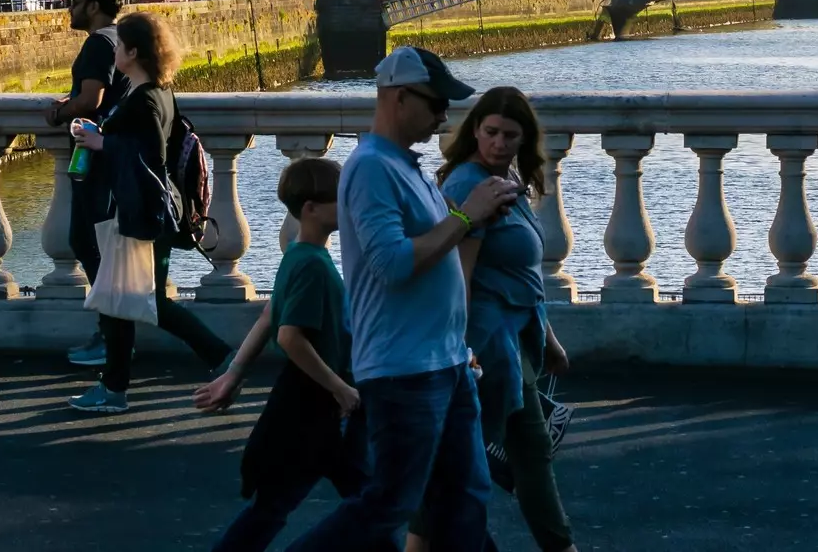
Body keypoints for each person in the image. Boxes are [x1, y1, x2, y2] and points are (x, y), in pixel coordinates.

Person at [284, 46, 519, 552]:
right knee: (389, 503)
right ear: (396, 98)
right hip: (404, 367)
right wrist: (465, 217)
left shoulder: (408, 168)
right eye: (434, 103)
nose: (443, 116)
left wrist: (467, 216)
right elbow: (392, 265)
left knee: (464, 496)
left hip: (447, 361)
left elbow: (438, 254)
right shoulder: (370, 169)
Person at [408, 86, 577, 552]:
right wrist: (459, 345)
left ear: (525, 140)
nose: (499, 143)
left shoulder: (507, 183)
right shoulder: (470, 185)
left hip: (511, 338)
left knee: (521, 456)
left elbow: (520, 278)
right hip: (486, 340)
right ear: (476, 131)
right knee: (477, 457)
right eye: (491, 132)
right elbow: (459, 272)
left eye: (510, 135)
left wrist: (548, 338)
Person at [63, 10, 231, 413]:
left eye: (120, 45)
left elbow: (150, 156)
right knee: (129, 299)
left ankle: (220, 358)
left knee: (138, 301)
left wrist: (101, 144)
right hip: (151, 213)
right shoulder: (157, 92)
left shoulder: (143, 100)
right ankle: (117, 387)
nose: (115, 51)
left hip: (142, 217)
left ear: (133, 52)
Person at [196, 158, 367, 551]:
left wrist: (234, 374)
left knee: (353, 500)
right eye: (340, 200)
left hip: (309, 409)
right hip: (314, 408)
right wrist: (340, 388)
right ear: (311, 209)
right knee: (355, 501)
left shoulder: (297, 255)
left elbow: (272, 314)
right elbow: (290, 337)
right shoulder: (312, 265)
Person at [46, 0, 126, 367]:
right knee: (99, 244)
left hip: (96, 159)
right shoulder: (119, 38)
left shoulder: (98, 43)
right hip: (115, 155)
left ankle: (111, 336)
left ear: (93, 6)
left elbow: (92, 99)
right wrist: (74, 98)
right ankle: (111, 333)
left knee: (86, 241)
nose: (70, 5)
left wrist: (60, 112)